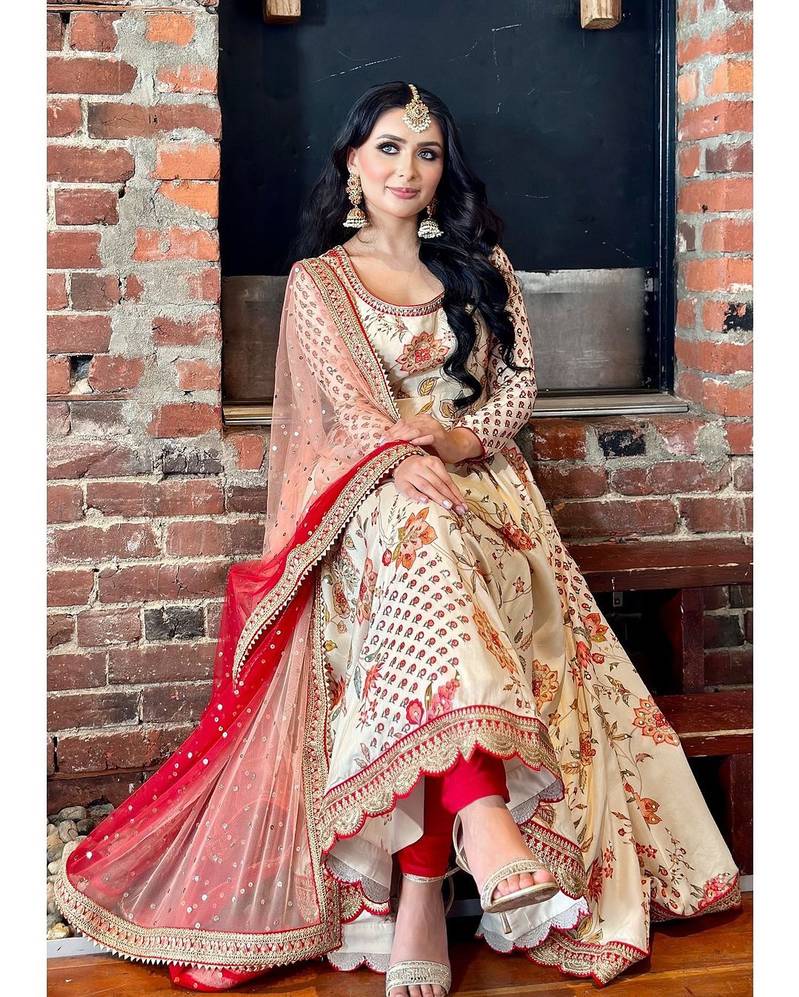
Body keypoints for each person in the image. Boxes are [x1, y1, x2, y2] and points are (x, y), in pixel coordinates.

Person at [54, 82, 741, 995]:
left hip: (485, 493)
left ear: (444, 168)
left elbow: (517, 386)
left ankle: (426, 885)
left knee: (438, 535)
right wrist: (397, 459)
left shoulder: (482, 265)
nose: (406, 169)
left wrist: (453, 442)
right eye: (386, 147)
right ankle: (478, 826)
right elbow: (339, 413)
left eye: (425, 152)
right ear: (352, 161)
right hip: (369, 503)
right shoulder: (320, 282)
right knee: (420, 526)